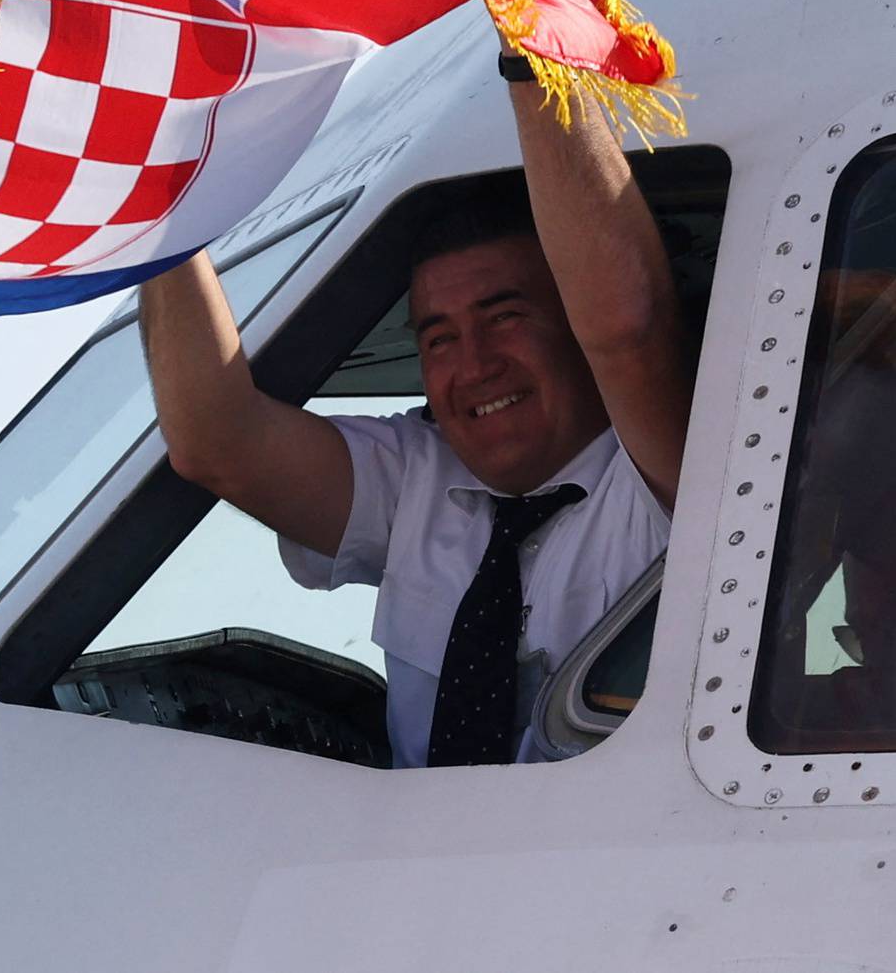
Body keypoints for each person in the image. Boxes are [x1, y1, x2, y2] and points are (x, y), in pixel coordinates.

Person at [137, 64, 692, 767]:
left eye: (507, 317)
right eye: (439, 339)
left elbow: (629, 330)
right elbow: (215, 442)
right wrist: (160, 182)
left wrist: (530, 46)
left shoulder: (666, 468)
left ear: (573, 324)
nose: (476, 364)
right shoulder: (416, 478)